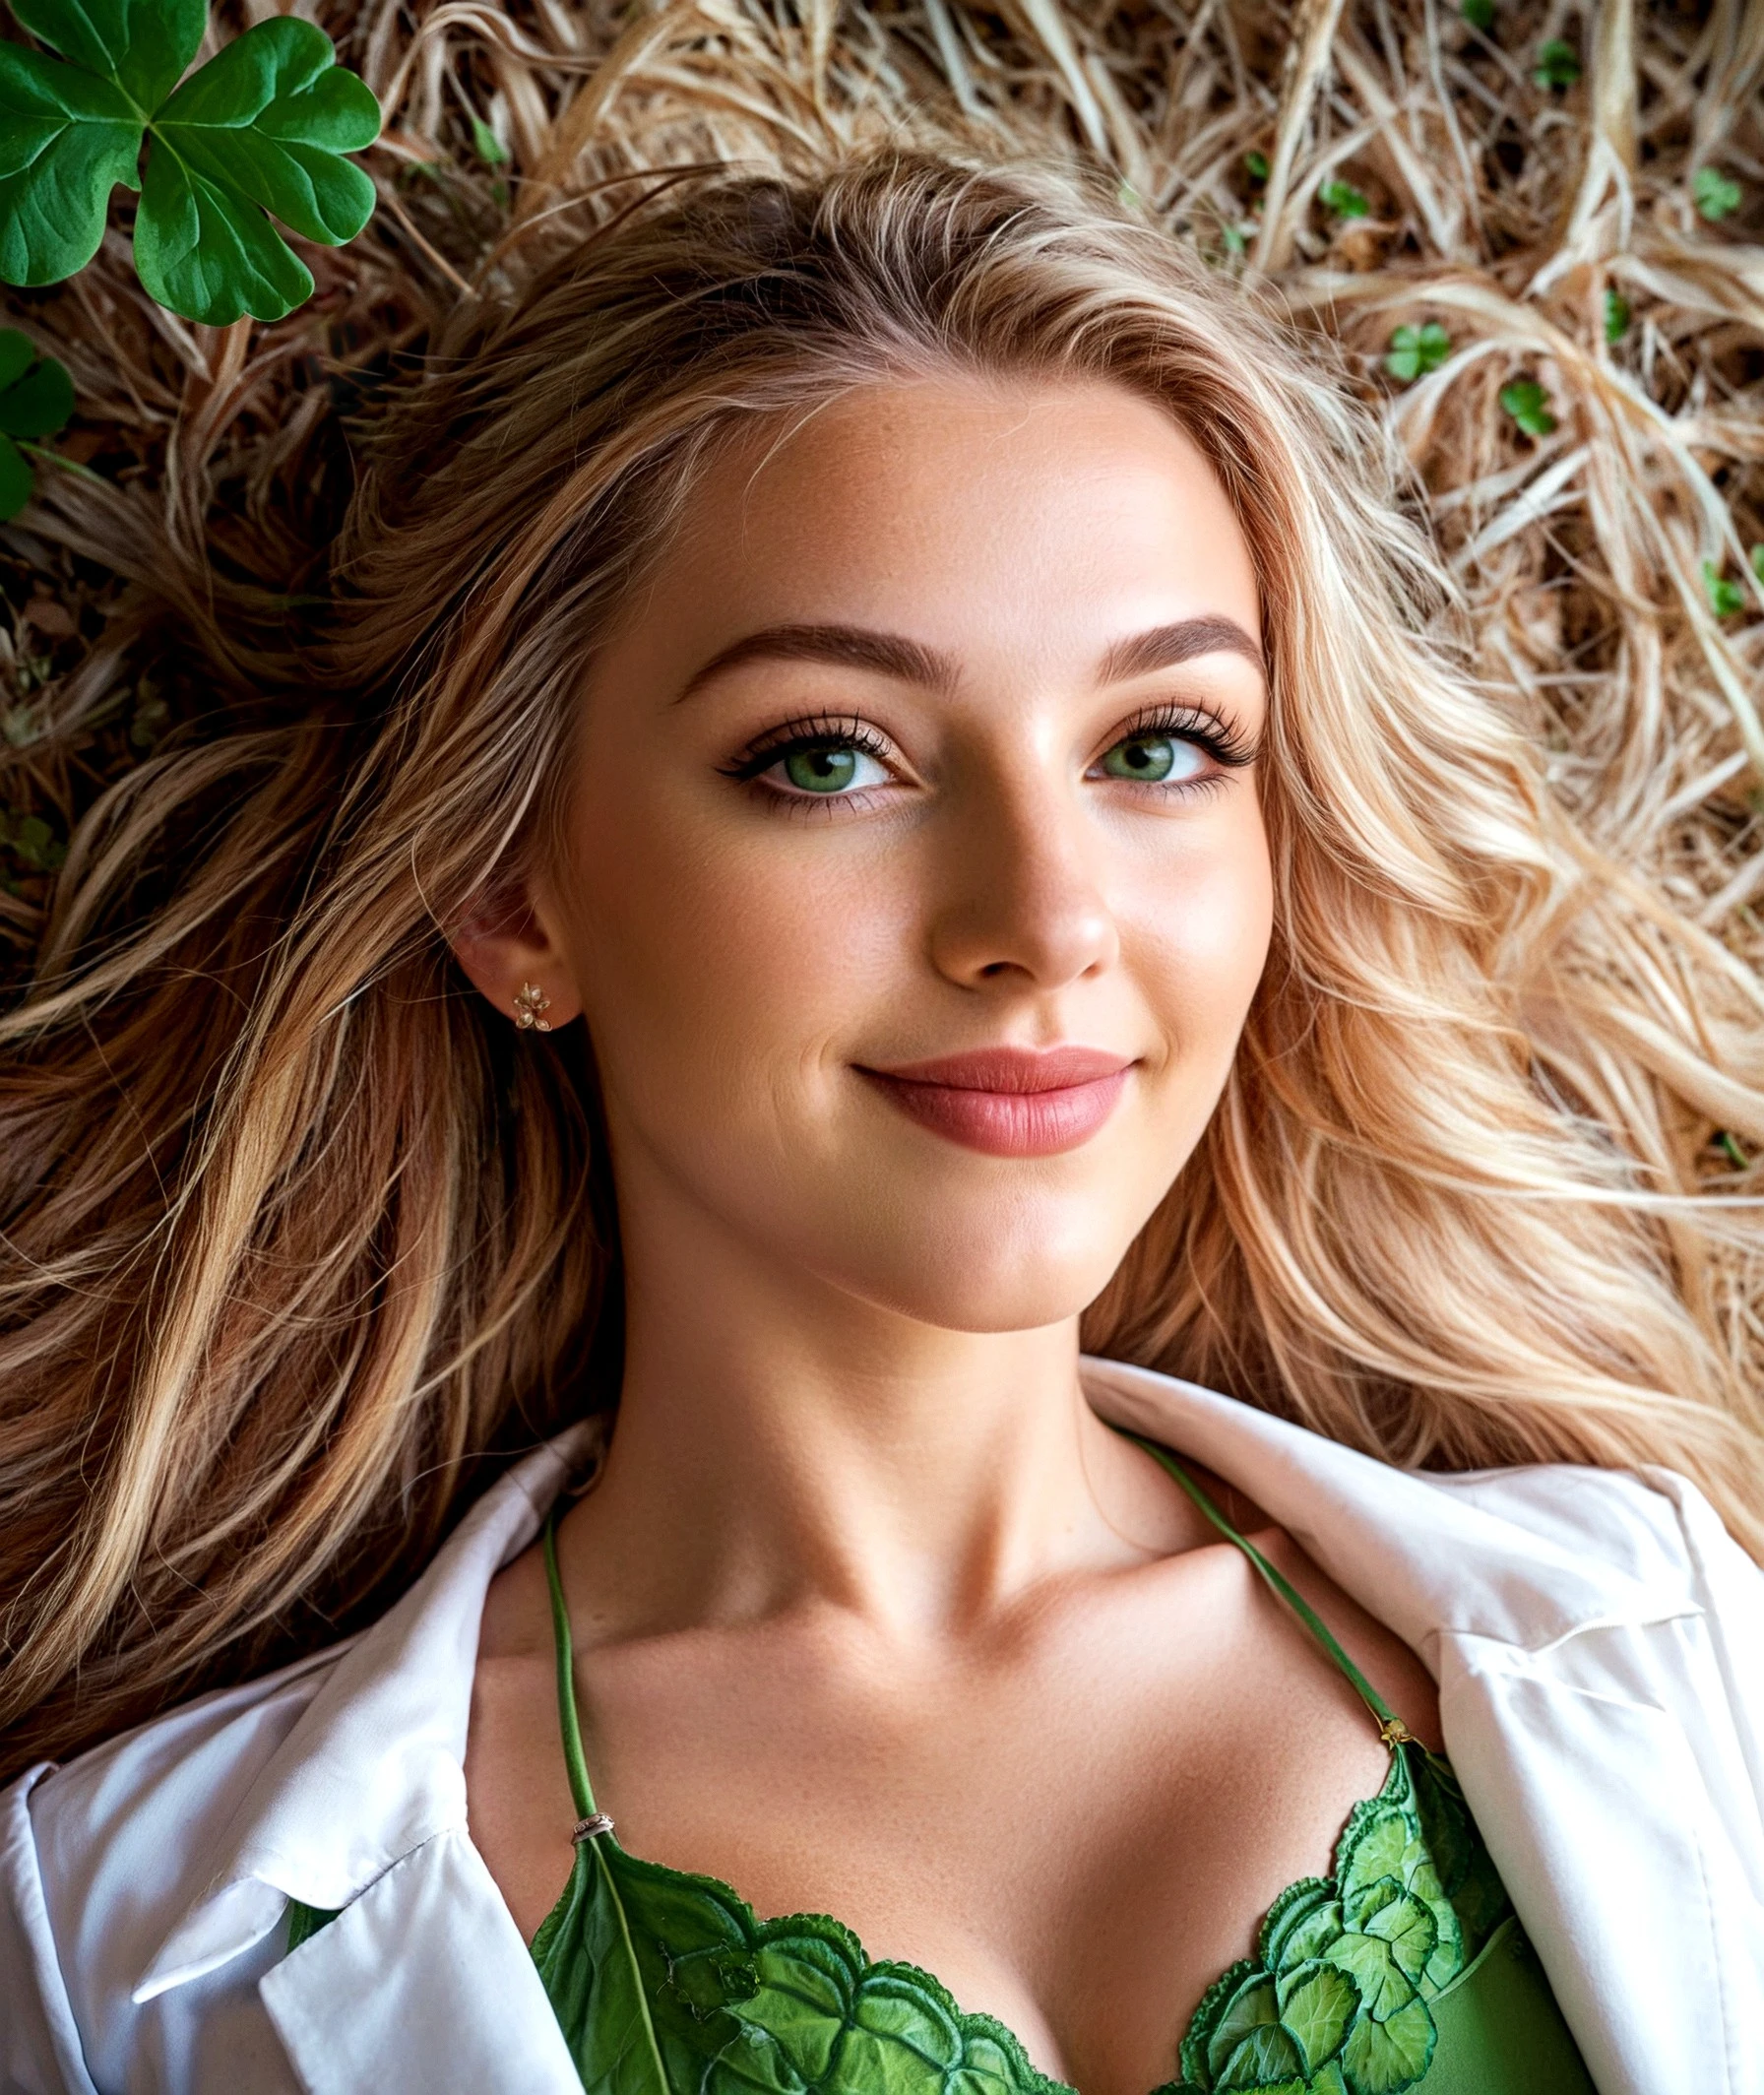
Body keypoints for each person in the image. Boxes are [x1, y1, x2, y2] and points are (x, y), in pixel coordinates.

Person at [1, 151, 1760, 2095]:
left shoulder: (1671, 1651)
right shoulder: (113, 1957)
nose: (1044, 919)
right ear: (519, 894)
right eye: (830, 756)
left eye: (1155, 748)